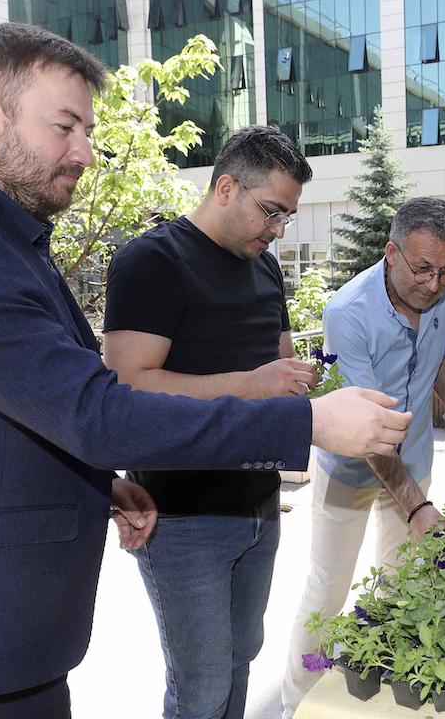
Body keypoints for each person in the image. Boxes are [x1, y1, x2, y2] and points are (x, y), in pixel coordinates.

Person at [0, 23, 411, 719]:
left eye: (87, 131)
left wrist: (96, 482)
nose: (85, 151)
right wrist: (307, 421)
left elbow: (1, 409)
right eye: (65, 127)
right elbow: (99, 407)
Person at [101, 125, 317, 719]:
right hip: (182, 514)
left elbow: (280, 361)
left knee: (241, 660)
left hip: (260, 504)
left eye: (287, 216)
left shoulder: (265, 267)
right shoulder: (152, 260)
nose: (278, 229)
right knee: (200, 689)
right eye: (271, 211)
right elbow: (125, 387)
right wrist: (252, 385)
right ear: (225, 188)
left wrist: (303, 382)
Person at [280, 197, 445, 718]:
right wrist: (418, 507)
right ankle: (295, 704)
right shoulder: (348, 312)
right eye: (423, 268)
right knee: (328, 590)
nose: (434, 284)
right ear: (391, 253)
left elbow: (444, 357)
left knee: (399, 586)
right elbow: (365, 434)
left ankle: (384, 697)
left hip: (414, 463)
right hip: (352, 468)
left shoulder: (442, 292)